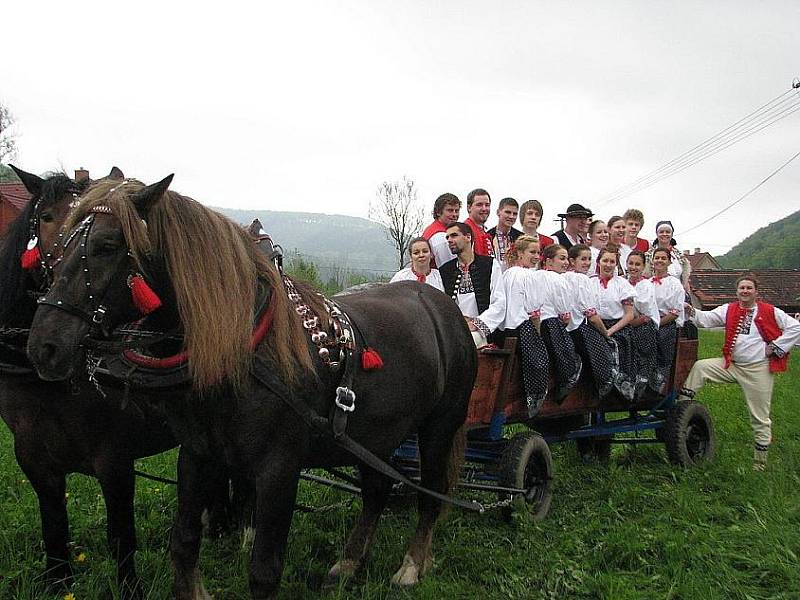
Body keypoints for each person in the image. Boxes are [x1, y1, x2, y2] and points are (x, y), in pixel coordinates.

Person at [680, 274, 800, 470]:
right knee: (701, 367)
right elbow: (707, 319)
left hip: (757, 369)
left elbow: (795, 328)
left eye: (749, 288)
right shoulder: (730, 309)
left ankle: (759, 463)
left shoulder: (770, 311)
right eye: (742, 288)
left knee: (760, 416)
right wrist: (691, 311)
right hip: (732, 365)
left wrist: (776, 347)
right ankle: (681, 408)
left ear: (756, 291)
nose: (745, 291)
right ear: (737, 291)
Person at [501, 235, 548, 415]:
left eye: (539, 252)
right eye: (532, 252)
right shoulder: (531, 276)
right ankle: (533, 399)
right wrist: (538, 334)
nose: (537, 256)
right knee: (539, 361)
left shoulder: (507, 273)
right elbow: (534, 310)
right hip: (523, 326)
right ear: (520, 253)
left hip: (506, 329)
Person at [439, 222, 506, 347]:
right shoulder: (445, 271)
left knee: (465, 345)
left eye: (454, 235)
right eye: (447, 237)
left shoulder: (489, 265)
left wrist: (476, 324)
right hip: (456, 330)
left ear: (468, 237)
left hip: (484, 331)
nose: (449, 240)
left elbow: (499, 303)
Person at [563, 244, 616, 398]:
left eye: (589, 259)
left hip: (565, 329)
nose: (587, 263)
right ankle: (603, 386)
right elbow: (592, 316)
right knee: (604, 351)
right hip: (578, 328)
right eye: (583, 259)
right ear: (572, 261)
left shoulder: (562, 276)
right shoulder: (581, 279)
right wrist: (605, 334)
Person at [538, 244, 583, 401]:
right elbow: (565, 314)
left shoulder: (536, 276)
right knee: (567, 358)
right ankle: (564, 386)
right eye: (561, 258)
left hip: (538, 324)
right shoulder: (559, 279)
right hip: (552, 323)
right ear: (549, 262)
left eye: (566, 259)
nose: (566, 263)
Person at [594, 245, 637, 401]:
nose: (608, 264)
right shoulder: (590, 283)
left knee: (618, 344)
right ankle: (600, 383)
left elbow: (630, 315)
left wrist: (610, 331)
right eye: (605, 260)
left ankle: (620, 387)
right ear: (598, 262)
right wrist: (600, 329)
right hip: (595, 325)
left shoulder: (622, 284)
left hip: (618, 326)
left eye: (612, 261)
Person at [650, 247, 685, 391]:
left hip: (666, 323)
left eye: (663, 258)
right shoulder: (647, 282)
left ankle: (660, 382)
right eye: (657, 258)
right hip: (648, 322)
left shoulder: (674, 284)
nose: (659, 261)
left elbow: (675, 312)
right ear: (652, 261)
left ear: (669, 262)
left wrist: (657, 324)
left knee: (662, 350)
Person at [626, 250, 661, 397]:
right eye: (631, 263)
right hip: (629, 321)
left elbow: (644, 311)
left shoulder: (646, 284)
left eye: (637, 264)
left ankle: (644, 376)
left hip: (645, 324)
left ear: (643, 267)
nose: (634, 267)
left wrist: (629, 317)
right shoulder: (623, 282)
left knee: (642, 334)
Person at [645, 220, 691, 293]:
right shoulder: (648, 256)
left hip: (677, 295)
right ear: (657, 234)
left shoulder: (680, 257)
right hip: (655, 294)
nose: (664, 234)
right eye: (661, 232)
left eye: (667, 232)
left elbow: (685, 281)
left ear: (672, 234)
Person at [422, 192, 461, 268]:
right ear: (438, 212)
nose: (454, 214)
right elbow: (449, 267)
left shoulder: (431, 229)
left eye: (457, 211)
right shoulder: (440, 236)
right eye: (450, 210)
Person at [487, 197, 522, 268]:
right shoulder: (488, 235)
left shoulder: (520, 237)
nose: (511, 216)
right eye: (508, 212)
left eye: (515, 214)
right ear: (498, 212)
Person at [464, 188, 493, 257]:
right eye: (479, 205)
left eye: (487, 205)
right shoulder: (465, 230)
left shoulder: (482, 230)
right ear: (469, 208)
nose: (484, 209)